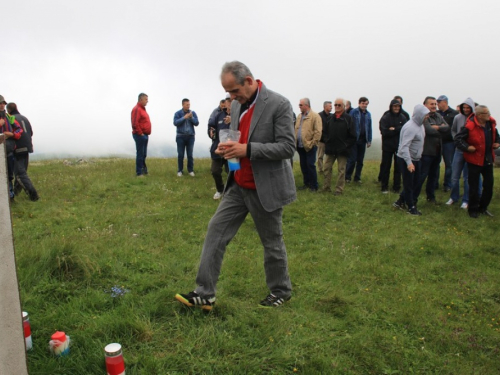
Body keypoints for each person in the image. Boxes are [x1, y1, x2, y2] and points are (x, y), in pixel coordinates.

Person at [175, 61, 296, 309]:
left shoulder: (279, 104)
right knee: (215, 232)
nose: (231, 98)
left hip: (265, 189)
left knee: (272, 243)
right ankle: (205, 293)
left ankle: (281, 291)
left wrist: (247, 149)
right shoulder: (239, 105)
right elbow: (236, 140)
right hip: (238, 185)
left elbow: (287, 147)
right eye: (228, 93)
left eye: (234, 91)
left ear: (249, 81)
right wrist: (228, 149)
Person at [455, 105, 499, 218]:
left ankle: (483, 208)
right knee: (473, 187)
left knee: (489, 186)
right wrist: (467, 147)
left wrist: (497, 143)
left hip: (488, 159)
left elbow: (497, 136)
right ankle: (473, 210)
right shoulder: (469, 126)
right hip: (474, 161)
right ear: (479, 115)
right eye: (486, 113)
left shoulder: (491, 124)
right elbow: (458, 139)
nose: (489, 115)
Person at [393, 105, 430, 215]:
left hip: (416, 159)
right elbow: (404, 147)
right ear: (419, 115)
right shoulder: (410, 127)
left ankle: (400, 202)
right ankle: (411, 207)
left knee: (416, 182)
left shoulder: (420, 125)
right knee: (409, 184)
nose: (427, 117)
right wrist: (409, 163)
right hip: (406, 159)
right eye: (425, 115)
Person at [321, 98, 356, 196]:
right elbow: (324, 133)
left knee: (341, 170)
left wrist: (345, 145)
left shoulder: (348, 119)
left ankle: (339, 190)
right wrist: (327, 141)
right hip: (330, 149)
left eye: (339, 105)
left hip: (342, 150)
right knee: (327, 168)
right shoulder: (330, 118)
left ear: (343, 106)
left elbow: (353, 136)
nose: (336, 107)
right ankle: (326, 187)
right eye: (335, 105)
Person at [418, 96, 449, 204]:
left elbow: (447, 128)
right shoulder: (423, 117)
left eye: (435, 104)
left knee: (433, 176)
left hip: (437, 151)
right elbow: (429, 130)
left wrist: (438, 127)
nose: (434, 106)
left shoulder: (438, 115)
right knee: (422, 175)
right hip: (427, 151)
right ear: (425, 105)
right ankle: (412, 196)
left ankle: (431, 197)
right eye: (431, 104)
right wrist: (440, 128)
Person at [446, 98, 475, 209]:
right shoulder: (457, 117)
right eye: (464, 107)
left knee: (467, 178)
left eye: (468, 107)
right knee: (454, 176)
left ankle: (466, 200)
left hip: (470, 151)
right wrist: (455, 140)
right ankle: (454, 197)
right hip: (459, 150)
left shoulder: (474, 118)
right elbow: (453, 130)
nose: (466, 109)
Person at [6, 103, 38, 201]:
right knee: (21, 172)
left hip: (17, 148)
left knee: (20, 174)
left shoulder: (11, 119)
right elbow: (31, 133)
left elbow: (11, 133)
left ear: (8, 110)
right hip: (27, 147)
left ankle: (34, 195)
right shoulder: (25, 118)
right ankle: (16, 192)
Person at [295, 98, 322, 191]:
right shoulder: (299, 116)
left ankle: (314, 185)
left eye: (301, 105)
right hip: (300, 146)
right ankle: (306, 183)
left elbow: (318, 132)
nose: (299, 106)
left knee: (310, 165)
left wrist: (313, 143)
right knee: (303, 165)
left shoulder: (315, 116)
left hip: (309, 146)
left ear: (307, 105)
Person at [379, 99, 406, 193]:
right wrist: (397, 129)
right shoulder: (385, 117)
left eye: (398, 106)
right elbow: (384, 132)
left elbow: (405, 130)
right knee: (386, 167)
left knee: (398, 168)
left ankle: (396, 187)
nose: (396, 108)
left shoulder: (403, 117)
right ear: (391, 107)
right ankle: (384, 186)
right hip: (387, 146)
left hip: (399, 146)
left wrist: (394, 129)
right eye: (394, 106)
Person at [208, 98, 230, 199]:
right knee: (215, 171)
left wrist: (233, 120)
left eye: (231, 101)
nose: (229, 103)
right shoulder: (219, 115)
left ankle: (231, 191)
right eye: (228, 101)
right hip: (218, 148)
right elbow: (212, 127)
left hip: (231, 149)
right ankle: (220, 189)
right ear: (225, 103)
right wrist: (211, 131)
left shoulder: (238, 115)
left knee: (232, 171)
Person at [346, 97, 372, 183]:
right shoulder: (353, 112)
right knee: (352, 159)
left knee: (360, 160)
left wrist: (369, 140)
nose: (364, 105)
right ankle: (347, 177)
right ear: (359, 103)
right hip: (354, 139)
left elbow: (369, 127)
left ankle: (357, 178)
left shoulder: (368, 114)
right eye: (363, 103)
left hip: (363, 140)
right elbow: (348, 124)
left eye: (366, 104)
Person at [437, 95, 459, 192]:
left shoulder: (454, 114)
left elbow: (451, 128)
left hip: (448, 142)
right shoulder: (436, 114)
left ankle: (448, 184)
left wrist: (441, 127)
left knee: (449, 164)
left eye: (439, 102)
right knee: (435, 163)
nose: (437, 104)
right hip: (437, 142)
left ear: (445, 102)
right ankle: (434, 184)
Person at [173, 99, 199, 176]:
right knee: (180, 154)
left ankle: (190, 170)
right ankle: (180, 170)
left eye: (189, 104)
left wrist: (191, 118)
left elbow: (197, 123)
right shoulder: (177, 113)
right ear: (183, 105)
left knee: (190, 154)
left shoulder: (192, 113)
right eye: (187, 105)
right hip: (180, 136)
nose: (188, 106)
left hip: (190, 136)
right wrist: (184, 117)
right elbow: (175, 122)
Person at [131, 93, 151, 177]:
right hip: (140, 135)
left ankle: (143, 170)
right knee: (140, 154)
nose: (147, 101)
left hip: (145, 134)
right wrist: (140, 133)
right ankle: (139, 172)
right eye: (146, 99)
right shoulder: (137, 109)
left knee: (143, 154)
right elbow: (135, 123)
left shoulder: (142, 109)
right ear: (141, 100)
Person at [317, 101, 332, 176]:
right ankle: (320, 170)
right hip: (321, 140)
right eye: (329, 106)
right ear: (325, 107)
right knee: (320, 156)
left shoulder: (332, 116)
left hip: (329, 140)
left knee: (329, 156)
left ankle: (328, 169)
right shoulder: (319, 115)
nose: (331, 107)